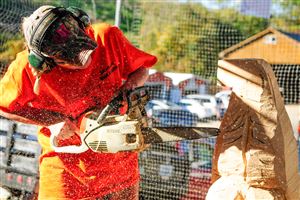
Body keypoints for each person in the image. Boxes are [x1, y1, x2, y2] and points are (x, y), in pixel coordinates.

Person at [0, 5, 157, 200]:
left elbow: (142, 68)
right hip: (66, 166)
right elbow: (4, 106)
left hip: (118, 153)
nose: (84, 62)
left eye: (87, 51)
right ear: (44, 61)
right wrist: (53, 121)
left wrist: (129, 87)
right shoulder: (25, 68)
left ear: (82, 24)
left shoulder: (106, 37)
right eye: (70, 61)